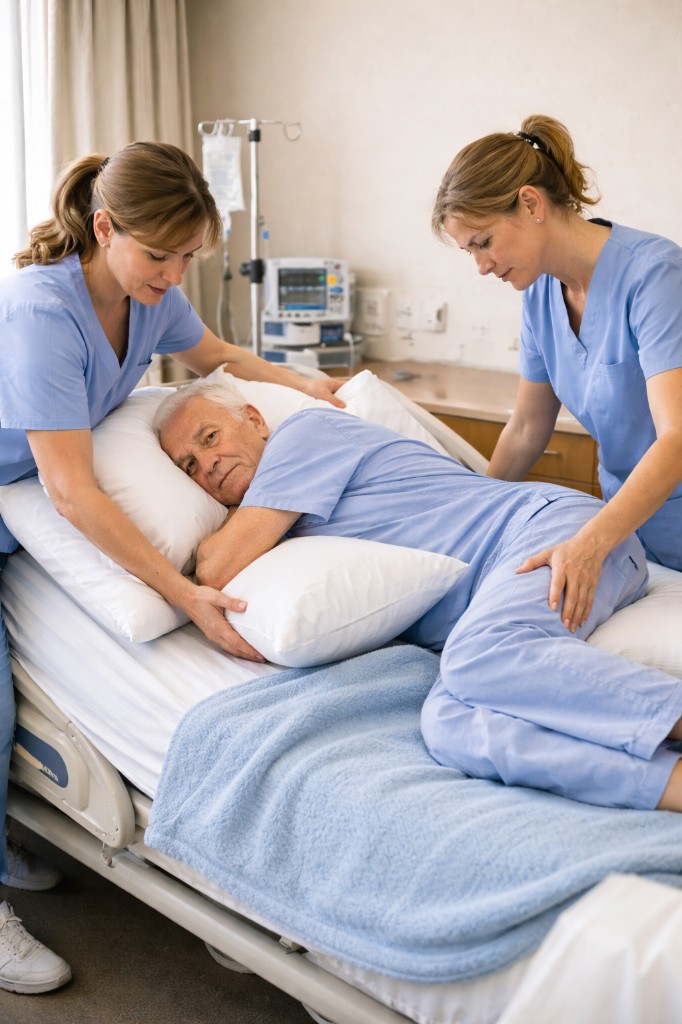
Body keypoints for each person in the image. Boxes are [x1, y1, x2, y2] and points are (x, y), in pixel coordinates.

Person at [0, 140, 344, 993]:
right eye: (161, 255)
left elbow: (224, 357)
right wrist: (185, 592)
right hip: (35, 488)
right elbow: (72, 491)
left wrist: (306, 388)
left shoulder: (148, 297)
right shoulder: (41, 313)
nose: (174, 272)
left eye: (189, 255)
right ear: (104, 229)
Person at [153, 379, 682, 814]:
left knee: (479, 657)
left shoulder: (306, 434)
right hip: (496, 592)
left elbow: (216, 567)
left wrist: (219, 538)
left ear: (254, 419)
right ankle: (671, 786)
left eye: (209, 437)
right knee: (451, 726)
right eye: (188, 467)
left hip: (556, 533)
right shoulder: (279, 530)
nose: (207, 463)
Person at [431, 114, 682, 637]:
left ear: (530, 204)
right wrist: (474, 525)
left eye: (483, 241)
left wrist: (591, 542)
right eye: (470, 251)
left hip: (636, 526)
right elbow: (527, 428)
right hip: (630, 533)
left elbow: (676, 437)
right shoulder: (541, 293)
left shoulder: (655, 276)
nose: (481, 266)